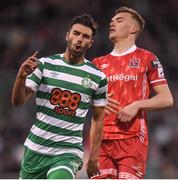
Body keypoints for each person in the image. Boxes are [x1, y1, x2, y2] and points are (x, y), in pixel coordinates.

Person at [12, 14, 107, 179]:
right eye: (76, 33)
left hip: (68, 152)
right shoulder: (45, 65)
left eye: (85, 36)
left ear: (90, 43)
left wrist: (93, 156)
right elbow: (18, 102)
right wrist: (20, 77)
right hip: (36, 148)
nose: (79, 39)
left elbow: (99, 119)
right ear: (67, 35)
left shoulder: (98, 77)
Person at [91, 6, 174, 179]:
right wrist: (96, 98)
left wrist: (137, 105)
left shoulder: (147, 58)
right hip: (102, 140)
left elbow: (166, 99)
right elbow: (84, 102)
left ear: (134, 28)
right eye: (112, 21)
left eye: (119, 20)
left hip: (132, 138)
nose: (112, 23)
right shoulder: (97, 63)